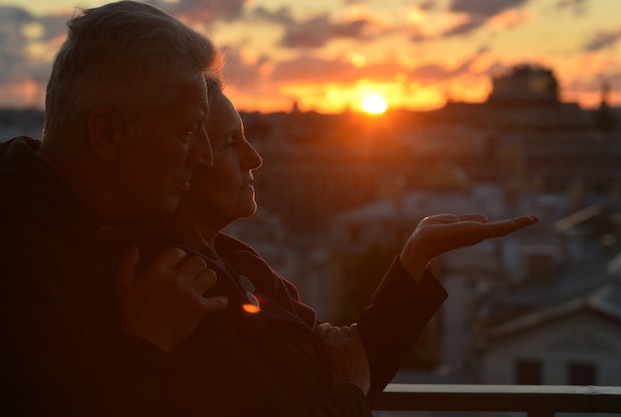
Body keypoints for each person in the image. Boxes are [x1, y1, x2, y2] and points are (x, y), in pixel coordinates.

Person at [136, 77, 539, 416]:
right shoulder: (184, 289)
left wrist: (416, 256)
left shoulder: (233, 259)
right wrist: (348, 387)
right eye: (230, 143)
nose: (255, 158)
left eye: (247, 138)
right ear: (183, 162)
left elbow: (349, 366)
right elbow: (344, 383)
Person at [0, 2, 228, 416]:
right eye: (187, 131)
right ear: (107, 134)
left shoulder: (120, 226)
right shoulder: (17, 265)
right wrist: (148, 341)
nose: (205, 158)